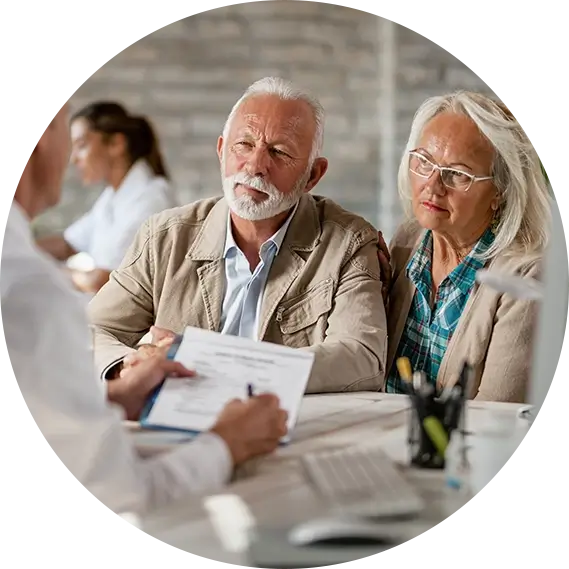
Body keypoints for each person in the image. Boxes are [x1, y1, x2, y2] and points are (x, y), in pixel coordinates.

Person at [1, 102, 288, 516]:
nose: (256, 165)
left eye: (278, 152)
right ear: (41, 138)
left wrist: (113, 397)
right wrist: (228, 443)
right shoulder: (30, 292)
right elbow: (120, 495)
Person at [88, 77, 388, 403]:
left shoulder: (348, 242)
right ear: (221, 151)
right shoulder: (164, 236)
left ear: (313, 175)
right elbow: (92, 331)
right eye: (243, 145)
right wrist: (130, 366)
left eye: (279, 151)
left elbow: (362, 358)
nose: (256, 166)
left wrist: (213, 362)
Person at [385, 91, 551, 403]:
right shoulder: (407, 241)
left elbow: (496, 415)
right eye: (424, 161)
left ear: (500, 191)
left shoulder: (525, 276)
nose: (433, 186)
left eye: (458, 174)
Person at [36, 101, 178, 293]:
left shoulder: (151, 199)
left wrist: (44, 269)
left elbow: (101, 281)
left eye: (81, 145)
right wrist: (16, 246)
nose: (74, 158)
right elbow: (67, 244)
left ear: (116, 144)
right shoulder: (112, 197)